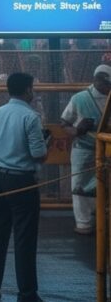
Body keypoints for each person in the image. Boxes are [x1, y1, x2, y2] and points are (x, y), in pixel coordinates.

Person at [0, 72, 58, 302]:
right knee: (24, 239)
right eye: (32, 89)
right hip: (22, 182)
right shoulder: (30, 117)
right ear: (27, 91)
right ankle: (27, 296)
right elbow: (38, 155)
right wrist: (47, 144)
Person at [61, 64, 111, 235]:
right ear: (97, 81)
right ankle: (83, 222)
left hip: (107, 150)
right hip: (84, 149)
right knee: (79, 185)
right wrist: (77, 131)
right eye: (105, 85)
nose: (107, 88)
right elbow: (64, 123)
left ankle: (103, 218)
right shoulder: (79, 98)